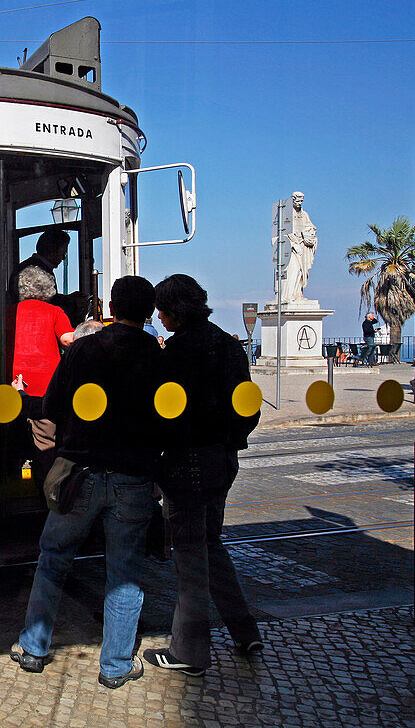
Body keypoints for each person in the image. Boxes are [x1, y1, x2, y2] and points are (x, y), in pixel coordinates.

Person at [11, 276, 163, 689]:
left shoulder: (83, 349)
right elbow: (168, 417)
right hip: (133, 478)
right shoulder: (155, 354)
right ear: (148, 311)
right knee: (125, 572)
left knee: (53, 558)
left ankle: (33, 648)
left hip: (81, 475)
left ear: (110, 307)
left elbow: (53, 405)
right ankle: (115, 666)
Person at [143, 274, 262, 677]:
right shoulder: (230, 347)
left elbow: (160, 414)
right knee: (211, 545)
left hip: (185, 462)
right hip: (222, 461)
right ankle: (245, 630)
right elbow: (249, 409)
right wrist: (229, 441)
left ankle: (190, 652)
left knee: (191, 557)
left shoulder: (175, 354)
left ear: (176, 310)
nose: (158, 316)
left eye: (162, 309)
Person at [9, 282, 75, 485]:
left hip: (11, 384)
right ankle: (49, 490)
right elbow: (68, 340)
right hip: (45, 387)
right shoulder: (54, 311)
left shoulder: (9, 312)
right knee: (46, 443)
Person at [10, 227, 69, 302]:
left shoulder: (26, 266)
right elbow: (48, 302)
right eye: (63, 252)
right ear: (52, 251)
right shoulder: (39, 271)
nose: (63, 258)